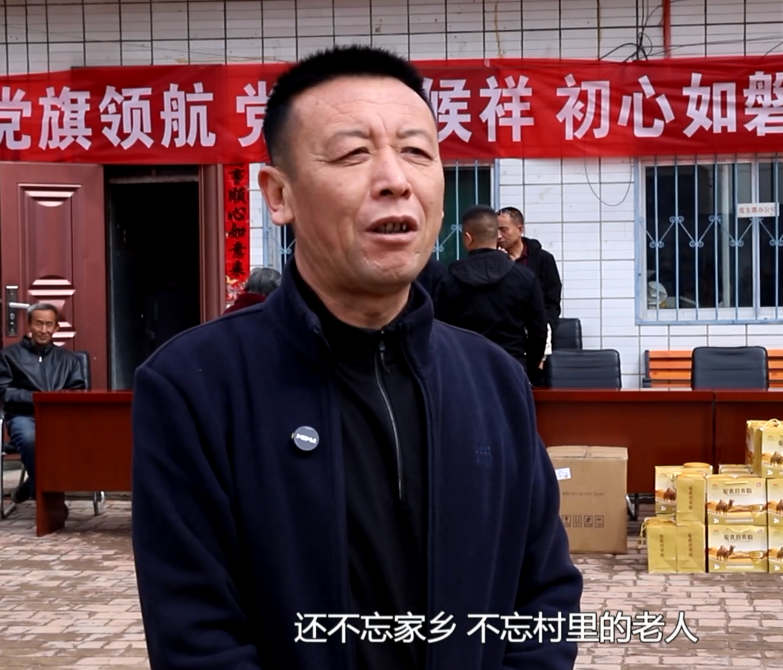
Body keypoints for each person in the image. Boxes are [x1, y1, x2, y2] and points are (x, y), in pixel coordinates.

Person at [130, 45, 582, 670]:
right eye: (352, 154)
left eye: (417, 152)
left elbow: (545, 599)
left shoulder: (494, 381)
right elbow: (197, 640)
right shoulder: (193, 387)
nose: (396, 179)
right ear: (279, 194)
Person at [433, 205, 549, 382]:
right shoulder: (524, 277)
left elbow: (438, 331)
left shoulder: (449, 281)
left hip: (465, 371)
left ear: (468, 238)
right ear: (497, 235)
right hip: (513, 369)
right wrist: (529, 368)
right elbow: (538, 330)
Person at [0, 303, 87, 506]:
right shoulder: (8, 356)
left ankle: (31, 485)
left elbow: (78, 391)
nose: (43, 330)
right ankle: (52, 504)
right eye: (38, 324)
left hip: (59, 418)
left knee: (83, 440)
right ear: (29, 325)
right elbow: (2, 390)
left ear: (56, 327)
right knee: (30, 439)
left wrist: (55, 401)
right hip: (24, 416)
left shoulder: (70, 360)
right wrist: (37, 398)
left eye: (49, 324)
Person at [497, 206, 562, 333]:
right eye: (495, 231)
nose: (498, 236)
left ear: (520, 229)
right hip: (503, 331)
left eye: (503, 230)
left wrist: (546, 326)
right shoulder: (493, 259)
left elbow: (552, 300)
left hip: (536, 329)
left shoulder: (543, 259)